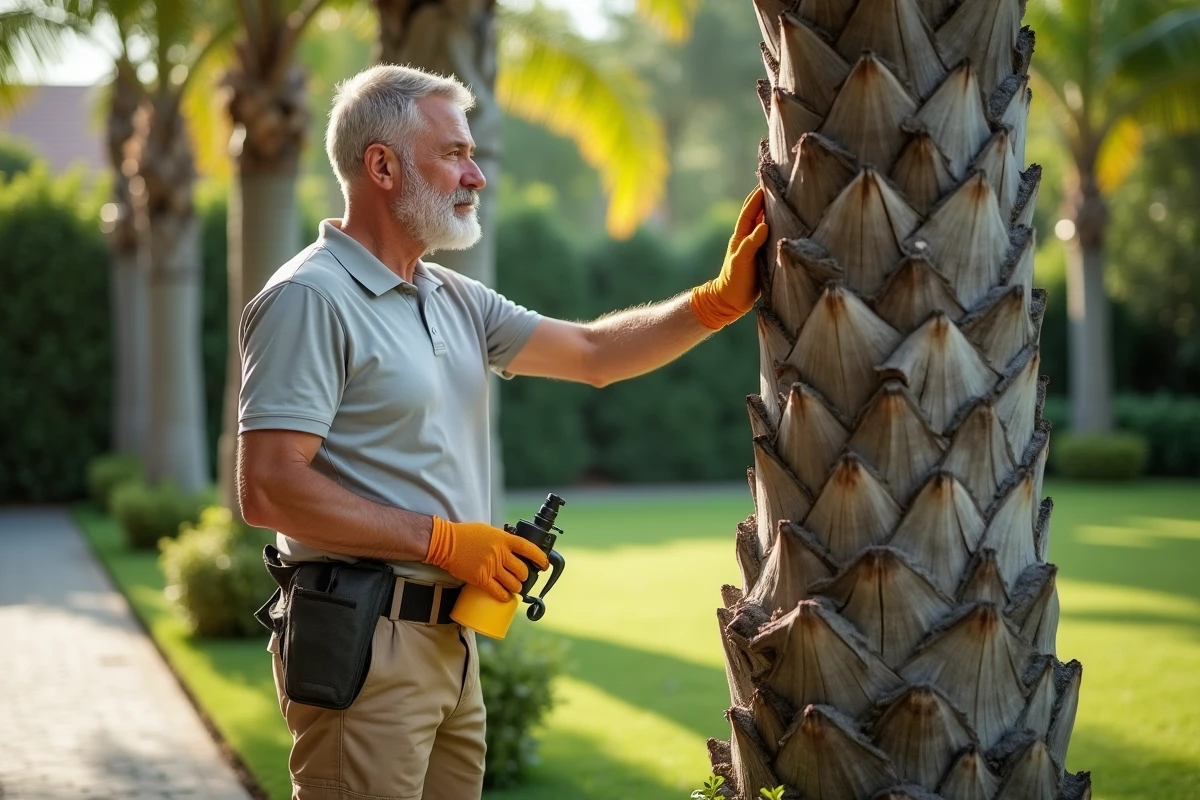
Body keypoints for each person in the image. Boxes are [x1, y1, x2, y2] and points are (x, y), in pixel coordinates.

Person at [236, 64, 768, 800]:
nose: (476, 175)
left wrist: (712, 303)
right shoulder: (308, 298)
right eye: (453, 152)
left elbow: (590, 353)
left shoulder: (450, 296)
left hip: (452, 641)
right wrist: (446, 541)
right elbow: (267, 489)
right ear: (382, 166)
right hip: (363, 643)